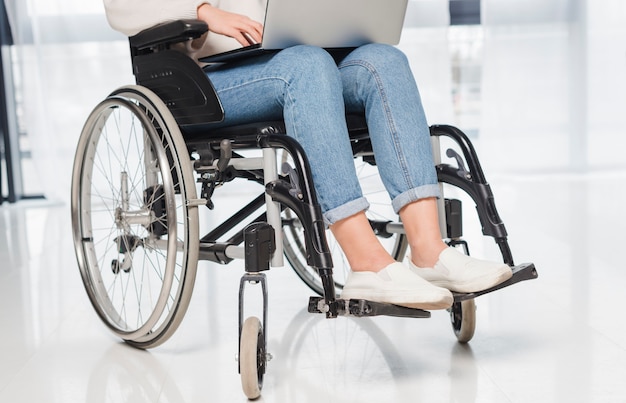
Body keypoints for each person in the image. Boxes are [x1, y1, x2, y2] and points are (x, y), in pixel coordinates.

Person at [103, 0, 513, 310]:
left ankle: (429, 251)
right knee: (308, 66)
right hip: (206, 77)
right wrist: (206, 11)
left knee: (384, 62)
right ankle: (366, 263)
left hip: (296, 56)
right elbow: (123, 7)